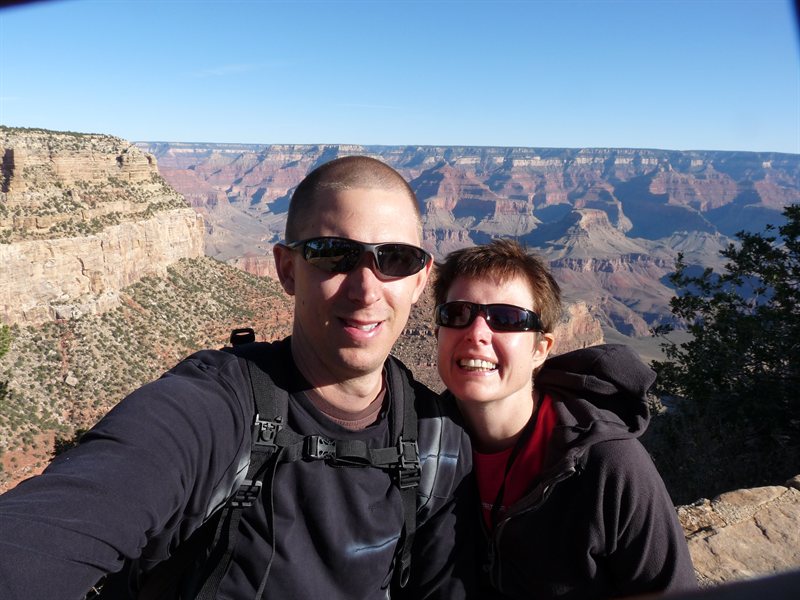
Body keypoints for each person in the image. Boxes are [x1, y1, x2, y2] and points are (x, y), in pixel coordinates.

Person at [0, 156, 477, 599]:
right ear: (287, 270)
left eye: (394, 259)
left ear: (421, 280)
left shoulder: (440, 443)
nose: (366, 288)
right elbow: (37, 541)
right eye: (333, 254)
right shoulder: (210, 411)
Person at [432, 238, 697, 599]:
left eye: (507, 319)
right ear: (438, 332)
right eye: (458, 314)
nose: (477, 333)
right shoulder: (417, 443)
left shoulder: (608, 464)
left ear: (541, 349)